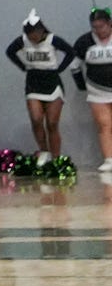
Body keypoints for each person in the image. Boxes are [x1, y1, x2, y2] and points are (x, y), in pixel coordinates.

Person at [8, 14, 69, 162]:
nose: (32, 37)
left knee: (52, 123)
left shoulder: (52, 39)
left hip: (52, 82)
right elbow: (10, 51)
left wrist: (60, 68)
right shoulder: (23, 41)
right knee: (36, 119)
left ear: (41, 30)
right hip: (33, 83)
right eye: (29, 34)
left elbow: (70, 52)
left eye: (34, 33)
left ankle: (56, 158)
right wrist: (23, 66)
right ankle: (44, 151)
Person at [77, 11, 112, 179]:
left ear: (109, 23)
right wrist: (81, 86)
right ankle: (109, 159)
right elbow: (74, 66)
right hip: (97, 90)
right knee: (104, 125)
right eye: (95, 27)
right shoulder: (84, 42)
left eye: (102, 26)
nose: (99, 30)